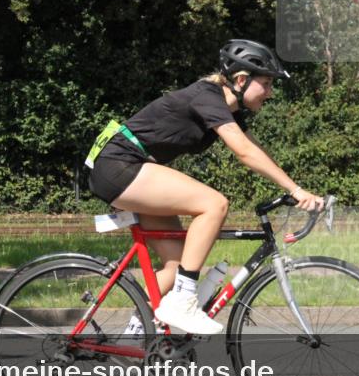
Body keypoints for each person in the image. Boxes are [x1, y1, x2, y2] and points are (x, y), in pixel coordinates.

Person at [87, 39, 324, 334]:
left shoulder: (227, 107)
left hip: (129, 165)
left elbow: (253, 147)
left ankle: (137, 330)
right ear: (241, 79)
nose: (271, 92)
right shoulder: (207, 97)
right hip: (119, 165)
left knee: (176, 267)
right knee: (214, 204)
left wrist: (292, 186)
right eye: (266, 83)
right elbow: (243, 153)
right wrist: (296, 190)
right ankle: (183, 302)